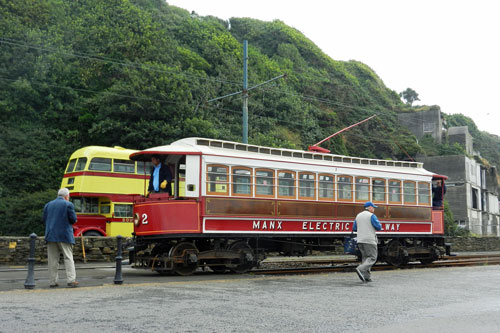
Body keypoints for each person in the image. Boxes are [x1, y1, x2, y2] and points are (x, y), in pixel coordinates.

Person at [42, 188, 79, 288]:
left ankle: (53, 281)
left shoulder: (48, 205)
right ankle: (71, 280)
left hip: (50, 235)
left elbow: (44, 219)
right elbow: (73, 219)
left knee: (52, 260)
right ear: (67, 196)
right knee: (68, 258)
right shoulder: (68, 204)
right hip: (64, 235)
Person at [352, 201, 382, 283]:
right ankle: (360, 269)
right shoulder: (371, 216)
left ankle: (367, 277)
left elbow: (354, 228)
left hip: (360, 240)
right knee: (372, 258)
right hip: (369, 240)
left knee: (365, 258)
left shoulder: (358, 215)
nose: (374, 209)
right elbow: (378, 227)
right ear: (370, 208)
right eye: (373, 208)